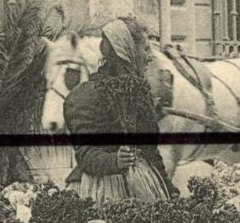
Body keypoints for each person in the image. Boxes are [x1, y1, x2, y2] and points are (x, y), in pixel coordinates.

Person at [64, 17, 173, 202]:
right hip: (99, 191)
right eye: (145, 48)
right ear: (126, 52)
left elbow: (150, 152)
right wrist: (115, 160)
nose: (150, 56)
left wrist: (170, 191)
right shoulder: (85, 96)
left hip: (143, 184)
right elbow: (86, 154)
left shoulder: (139, 93)